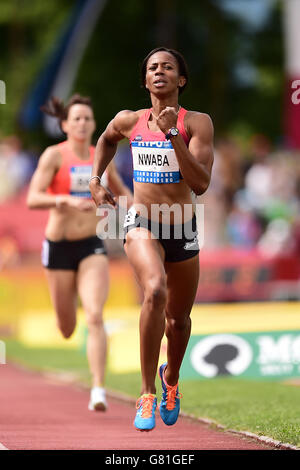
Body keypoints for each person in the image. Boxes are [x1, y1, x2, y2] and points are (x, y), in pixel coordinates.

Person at [89, 47, 214, 431]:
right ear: (145, 80)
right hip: (141, 221)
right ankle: (146, 394)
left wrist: (172, 131)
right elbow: (106, 140)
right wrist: (95, 180)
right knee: (155, 291)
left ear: (181, 80)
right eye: (152, 68)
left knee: (178, 320)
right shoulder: (128, 121)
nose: (159, 72)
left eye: (168, 67)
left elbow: (201, 184)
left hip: (183, 224)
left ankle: (170, 380)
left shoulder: (198, 123)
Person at [27, 94, 132, 412]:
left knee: (96, 315)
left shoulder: (102, 158)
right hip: (59, 246)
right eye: (77, 119)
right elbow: (33, 197)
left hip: (91, 244)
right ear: (65, 125)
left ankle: (98, 389)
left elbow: (125, 194)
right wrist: (64, 201)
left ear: (94, 124)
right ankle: (68, 314)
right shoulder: (53, 156)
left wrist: (139, 211)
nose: (83, 123)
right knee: (67, 327)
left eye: (88, 118)